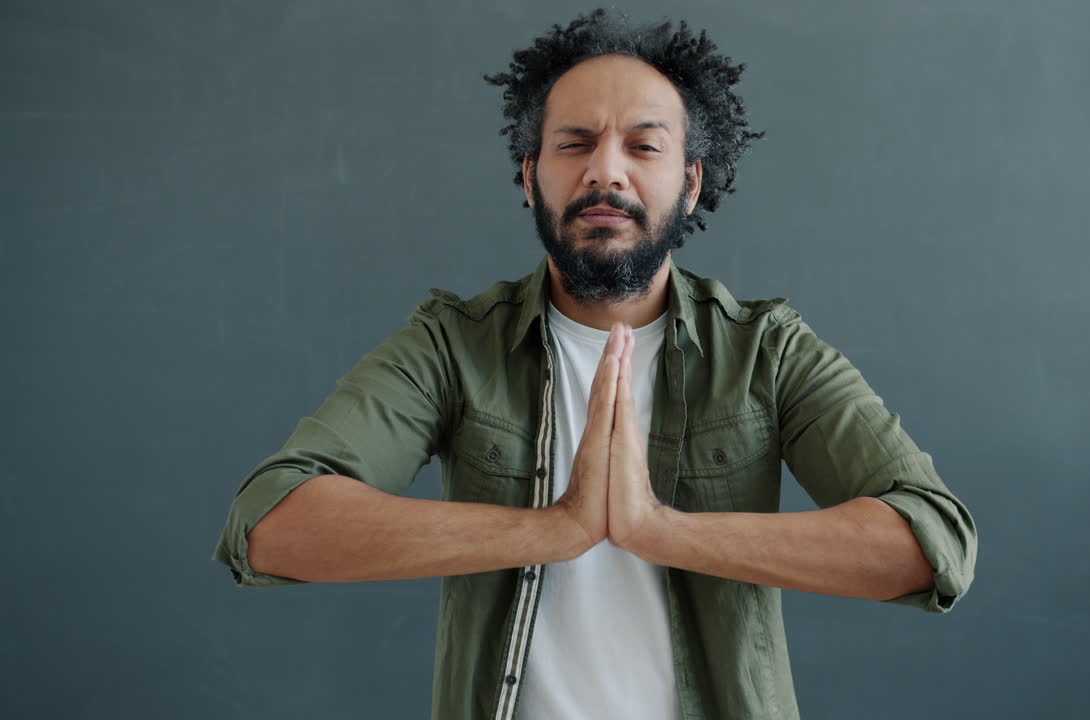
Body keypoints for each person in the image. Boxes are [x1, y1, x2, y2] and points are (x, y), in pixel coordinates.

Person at [210, 8, 978, 720]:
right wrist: (555, 528)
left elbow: (928, 545)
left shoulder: (766, 350)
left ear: (692, 180)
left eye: (644, 146)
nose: (605, 172)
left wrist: (657, 529)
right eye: (574, 142)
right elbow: (274, 526)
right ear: (528, 173)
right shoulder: (453, 346)